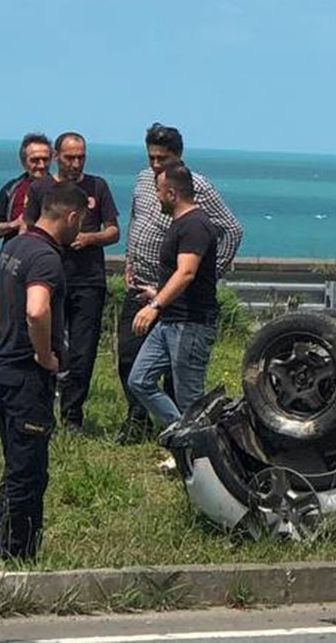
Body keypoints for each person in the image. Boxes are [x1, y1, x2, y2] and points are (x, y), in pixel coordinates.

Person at [119, 123, 241, 441]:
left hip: (184, 313)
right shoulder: (145, 181)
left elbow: (193, 266)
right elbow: (135, 217)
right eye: (151, 158)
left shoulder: (195, 205)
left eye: (162, 159)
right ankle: (181, 433)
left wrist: (208, 273)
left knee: (187, 391)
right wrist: (132, 260)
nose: (155, 165)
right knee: (137, 375)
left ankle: (202, 446)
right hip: (159, 297)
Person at [0, 183, 84, 561]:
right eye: (80, 221)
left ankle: (1, 544)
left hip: (2, 367)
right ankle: (16, 554)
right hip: (27, 374)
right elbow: (37, 309)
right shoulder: (45, 257)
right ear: (71, 216)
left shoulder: (14, 246)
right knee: (29, 470)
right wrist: (44, 356)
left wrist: (3, 334)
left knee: (16, 464)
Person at [25, 132, 118, 435]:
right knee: (46, 345)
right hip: (50, 279)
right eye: (70, 157)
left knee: (83, 352)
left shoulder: (97, 186)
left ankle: (72, 417)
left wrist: (90, 238)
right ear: (57, 157)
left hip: (88, 280)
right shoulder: (40, 188)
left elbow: (114, 230)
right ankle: (42, 413)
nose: (76, 163)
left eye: (81, 157)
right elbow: (29, 228)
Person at [127, 161, 221, 430]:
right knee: (139, 380)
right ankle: (182, 432)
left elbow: (187, 272)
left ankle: (202, 445)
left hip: (190, 323)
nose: (156, 196)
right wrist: (156, 293)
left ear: (171, 193)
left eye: (158, 190)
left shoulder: (195, 225)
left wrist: (154, 306)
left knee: (190, 398)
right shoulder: (180, 224)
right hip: (170, 319)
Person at [0, 133, 53, 241]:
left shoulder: (61, 190)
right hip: (15, 249)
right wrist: (14, 225)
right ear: (23, 162)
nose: (41, 165)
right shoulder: (12, 189)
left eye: (45, 159)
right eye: (35, 160)